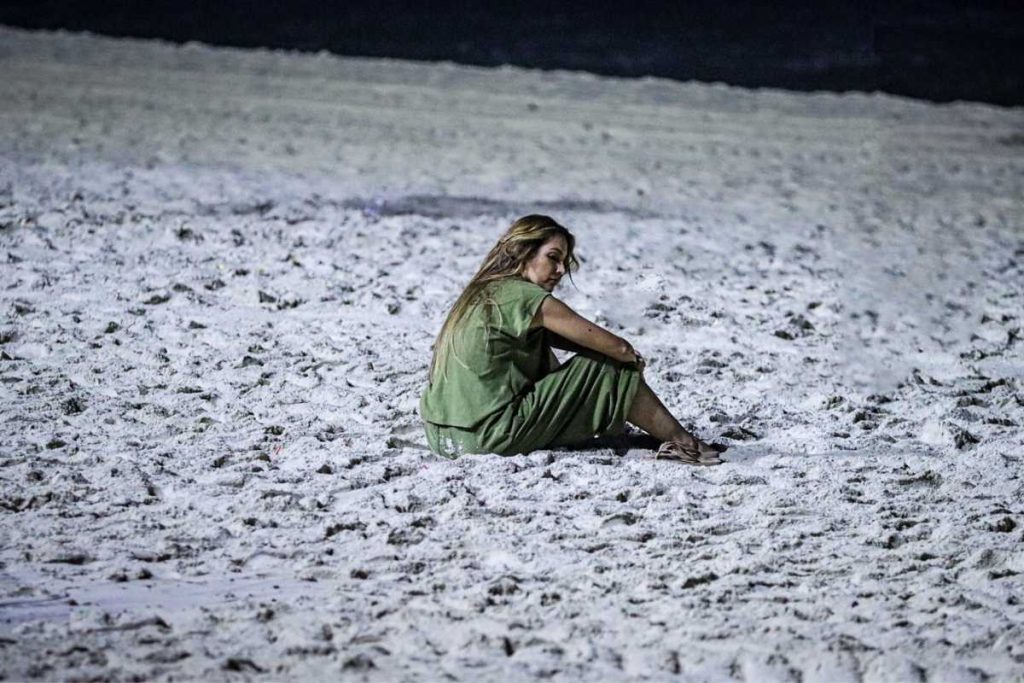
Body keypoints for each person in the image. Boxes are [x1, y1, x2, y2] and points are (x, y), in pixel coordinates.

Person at [419, 214, 723, 465]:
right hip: (486, 438)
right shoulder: (525, 297)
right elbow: (619, 348)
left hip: (442, 437)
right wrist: (631, 364)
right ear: (522, 253)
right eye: (553, 258)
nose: (561, 270)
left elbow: (565, 354)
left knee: (557, 353)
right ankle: (685, 443)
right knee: (611, 365)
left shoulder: (481, 293)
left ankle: (651, 430)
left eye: (564, 261)